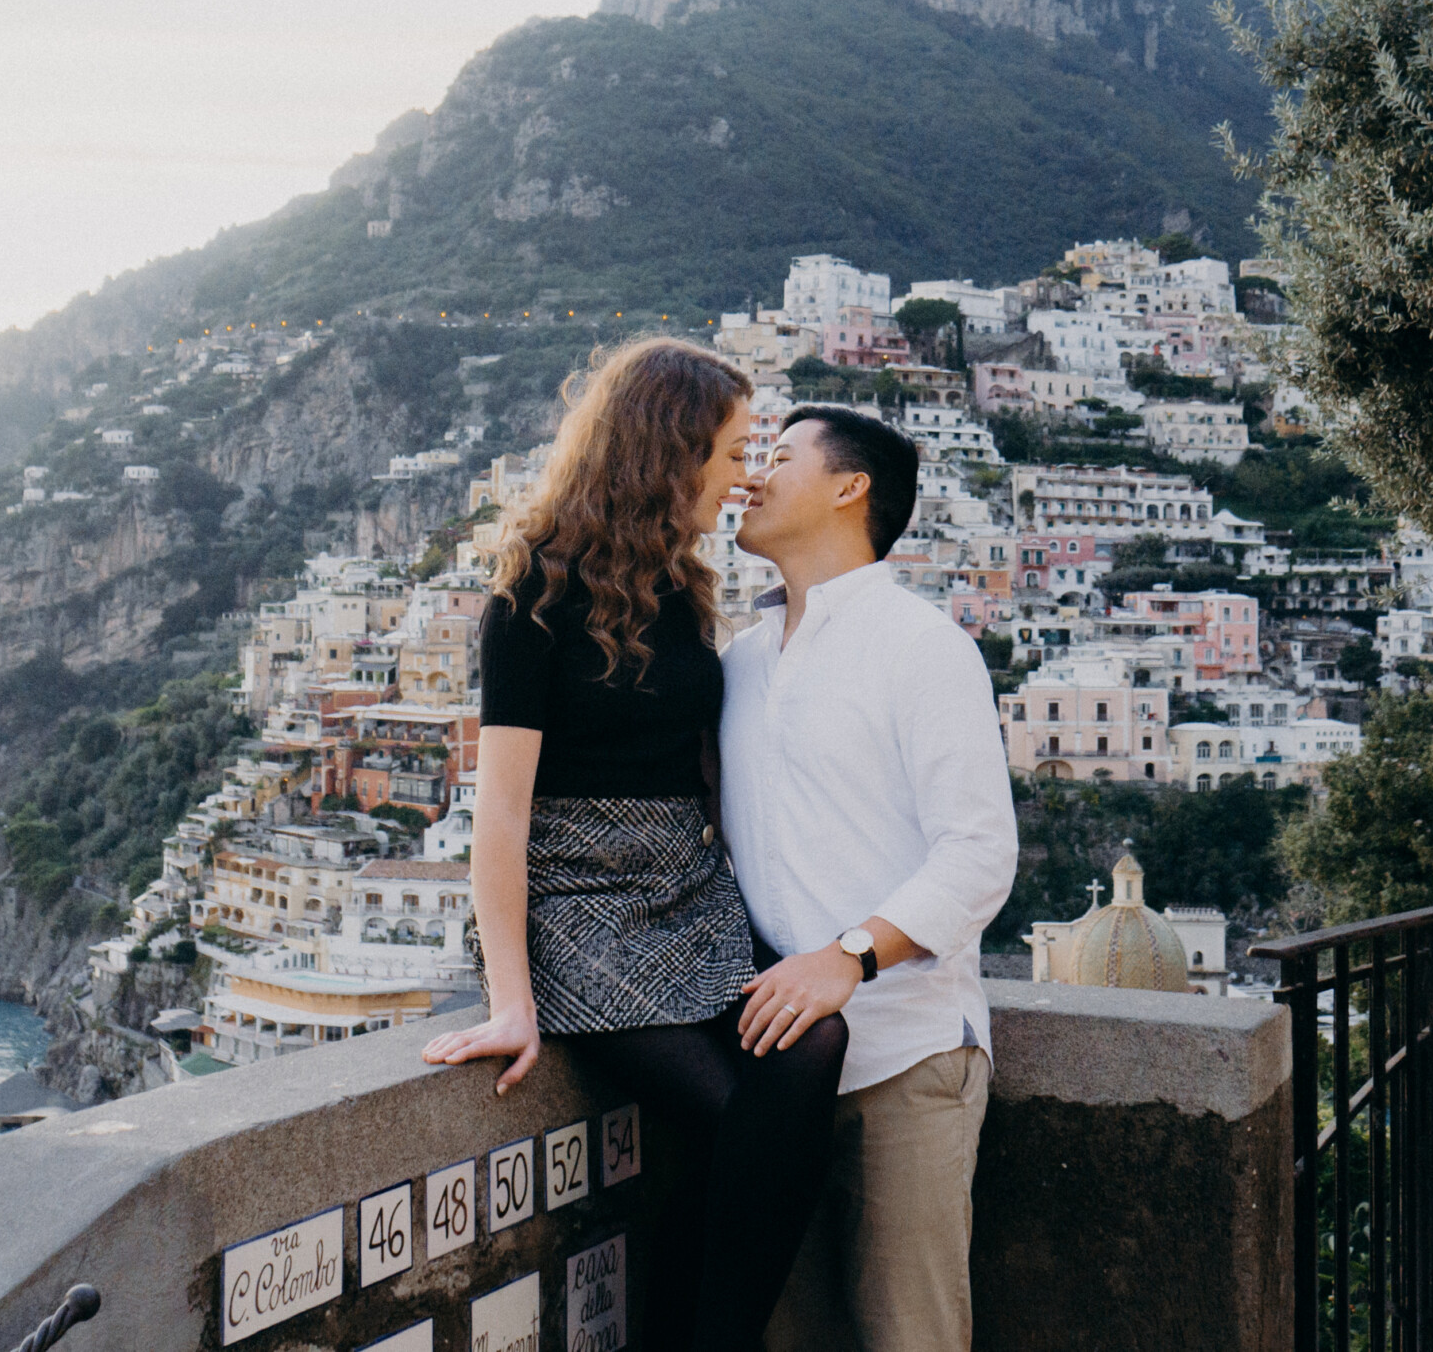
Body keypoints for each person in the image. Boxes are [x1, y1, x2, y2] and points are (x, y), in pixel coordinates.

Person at [421, 338, 849, 1352]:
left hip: (686, 896)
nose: (749, 471)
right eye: (737, 448)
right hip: (575, 906)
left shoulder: (681, 588)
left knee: (812, 1039)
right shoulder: (531, 594)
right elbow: (502, 813)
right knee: (727, 1113)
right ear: (672, 447)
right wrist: (511, 1002)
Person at [721, 405, 1020, 1352]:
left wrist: (849, 955)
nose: (751, 476)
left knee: (911, 1338)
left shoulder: (921, 643)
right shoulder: (736, 660)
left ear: (851, 488)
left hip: (905, 1055)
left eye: (776, 457)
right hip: (771, 1062)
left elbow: (980, 853)